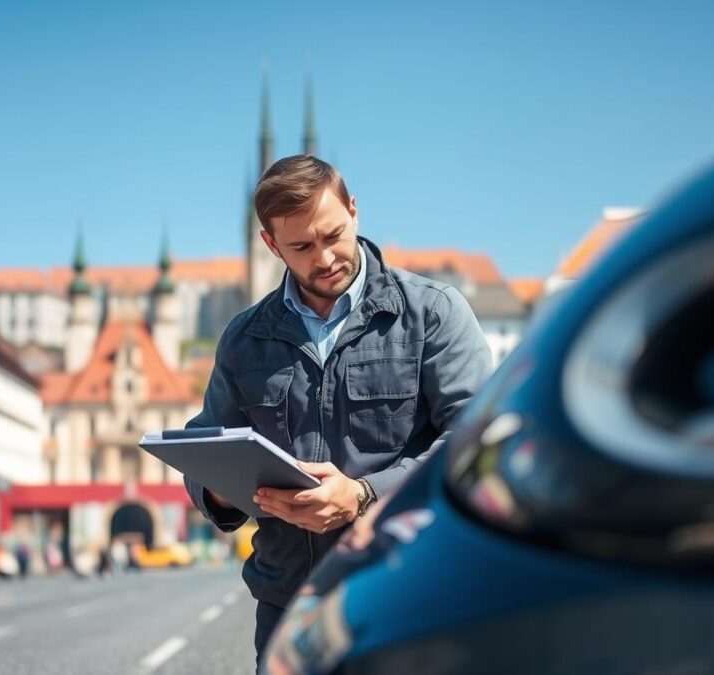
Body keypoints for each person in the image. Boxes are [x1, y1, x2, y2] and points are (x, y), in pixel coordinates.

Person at [183, 155, 493, 668]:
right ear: (270, 244)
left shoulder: (431, 312)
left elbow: (474, 443)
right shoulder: (243, 340)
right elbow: (208, 445)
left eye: (333, 234)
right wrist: (219, 484)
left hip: (405, 591)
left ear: (353, 211)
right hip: (289, 607)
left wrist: (366, 495)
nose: (324, 258)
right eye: (301, 247)